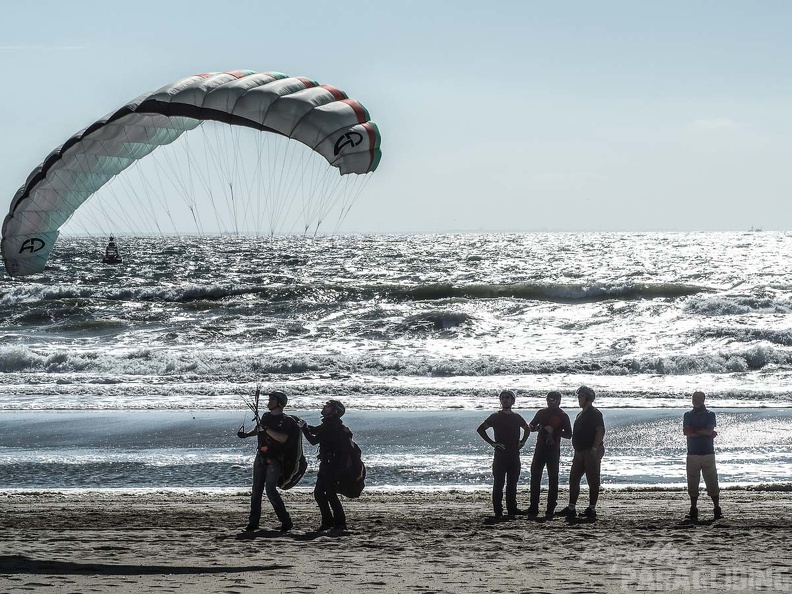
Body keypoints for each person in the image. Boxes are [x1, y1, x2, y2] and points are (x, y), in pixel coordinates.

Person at [237, 390, 297, 532]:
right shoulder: (265, 416)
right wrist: (246, 435)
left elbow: (282, 438)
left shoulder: (286, 420)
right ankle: (253, 523)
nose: (268, 402)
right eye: (269, 399)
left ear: (280, 403)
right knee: (256, 491)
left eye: (272, 400)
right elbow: (259, 429)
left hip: (274, 461)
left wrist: (266, 429)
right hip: (260, 458)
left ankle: (286, 521)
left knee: (270, 491)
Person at [298, 399, 354, 531]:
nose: (324, 407)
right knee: (321, 493)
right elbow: (316, 430)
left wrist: (304, 429)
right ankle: (329, 522)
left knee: (328, 494)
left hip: (331, 466)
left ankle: (339, 523)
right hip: (328, 465)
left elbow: (313, 440)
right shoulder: (330, 424)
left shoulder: (331, 426)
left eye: (328, 406)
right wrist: (303, 425)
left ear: (335, 411)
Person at [476, 390, 531, 519]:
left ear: (513, 401)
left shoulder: (517, 417)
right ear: (500, 401)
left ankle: (512, 509)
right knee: (499, 484)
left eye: (507, 398)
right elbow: (481, 429)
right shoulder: (495, 416)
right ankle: (498, 511)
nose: (505, 400)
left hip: (514, 455)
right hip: (500, 455)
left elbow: (527, 428)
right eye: (503, 398)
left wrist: (523, 441)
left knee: (512, 484)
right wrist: (493, 443)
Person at [556, 385, 605, 520]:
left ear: (588, 398)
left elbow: (600, 431)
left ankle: (592, 508)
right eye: (579, 396)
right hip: (579, 451)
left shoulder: (595, 413)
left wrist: (595, 448)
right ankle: (571, 507)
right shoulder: (580, 413)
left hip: (590, 451)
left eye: (581, 396)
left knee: (593, 480)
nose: (579, 399)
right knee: (574, 479)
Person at [527, 391, 572, 518]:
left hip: (553, 450)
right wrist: (539, 428)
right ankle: (533, 507)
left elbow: (569, 435)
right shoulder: (541, 413)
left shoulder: (563, 415)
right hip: (540, 449)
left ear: (559, 401)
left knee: (553, 479)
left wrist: (556, 431)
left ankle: (550, 508)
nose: (550, 401)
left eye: (552, 399)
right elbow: (531, 426)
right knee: (535, 477)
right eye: (548, 399)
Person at [683, 390, 722, 521]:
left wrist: (697, 431)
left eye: (698, 398)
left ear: (703, 399)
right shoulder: (687, 415)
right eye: (694, 397)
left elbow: (707, 430)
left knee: (712, 481)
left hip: (707, 452)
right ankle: (693, 509)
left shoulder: (710, 414)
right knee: (692, 482)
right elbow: (687, 432)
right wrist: (705, 433)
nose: (695, 400)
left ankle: (717, 509)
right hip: (693, 453)